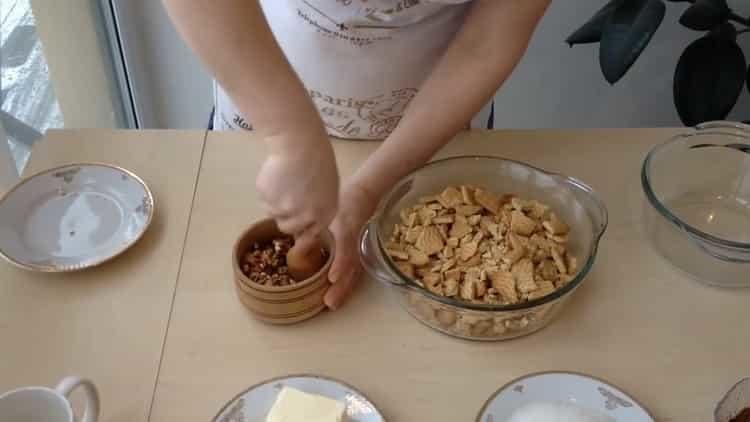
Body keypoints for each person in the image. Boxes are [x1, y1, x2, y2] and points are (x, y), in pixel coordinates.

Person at [163, 0, 550, 310]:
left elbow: (486, 45)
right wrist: (289, 136)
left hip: (433, 128)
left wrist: (367, 191)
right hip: (260, 110)